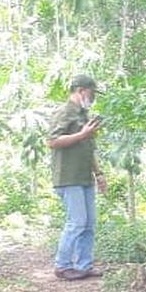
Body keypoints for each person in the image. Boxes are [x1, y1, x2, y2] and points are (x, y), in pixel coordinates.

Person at [47, 74, 107, 280]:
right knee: (77, 222)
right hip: (68, 176)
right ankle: (62, 266)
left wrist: (99, 174)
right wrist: (81, 135)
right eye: (91, 93)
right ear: (81, 90)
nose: (93, 97)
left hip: (84, 177)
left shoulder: (84, 115)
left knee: (89, 223)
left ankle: (84, 265)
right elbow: (53, 141)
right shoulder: (65, 111)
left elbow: (88, 147)